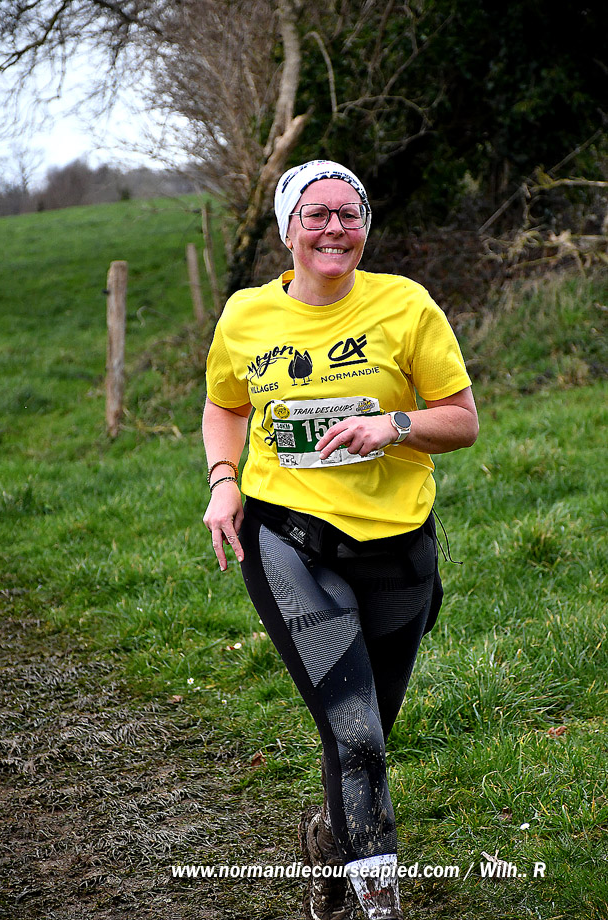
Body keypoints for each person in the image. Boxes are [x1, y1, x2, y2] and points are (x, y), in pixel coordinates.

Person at [202, 160, 479, 920]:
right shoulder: (245, 316)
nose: (334, 228)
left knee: (365, 732)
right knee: (355, 734)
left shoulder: (405, 305)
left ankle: (332, 841)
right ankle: (378, 906)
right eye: (316, 215)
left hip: (397, 547)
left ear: (364, 228)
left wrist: (393, 425)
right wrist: (224, 480)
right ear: (287, 230)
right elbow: (224, 405)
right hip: (288, 537)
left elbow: (461, 420)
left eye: (348, 214)